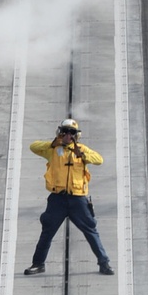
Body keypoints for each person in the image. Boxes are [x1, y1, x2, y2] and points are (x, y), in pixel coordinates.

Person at [24, 117, 114, 276]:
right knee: (47, 231)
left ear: (76, 135)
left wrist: (83, 155)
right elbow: (33, 146)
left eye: (71, 133)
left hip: (78, 199)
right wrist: (53, 143)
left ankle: (104, 263)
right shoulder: (52, 149)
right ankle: (38, 264)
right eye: (64, 132)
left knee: (90, 231)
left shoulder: (82, 150)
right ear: (59, 133)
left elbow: (99, 160)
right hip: (57, 199)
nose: (67, 135)